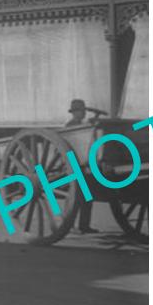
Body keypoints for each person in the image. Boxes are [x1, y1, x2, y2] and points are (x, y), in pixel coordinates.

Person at [66, 99, 97, 233]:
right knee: (76, 197)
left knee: (87, 197)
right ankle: (70, 226)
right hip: (74, 167)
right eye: (80, 111)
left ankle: (84, 225)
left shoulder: (82, 126)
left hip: (82, 167)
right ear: (74, 112)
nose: (83, 113)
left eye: (83, 111)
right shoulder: (70, 126)